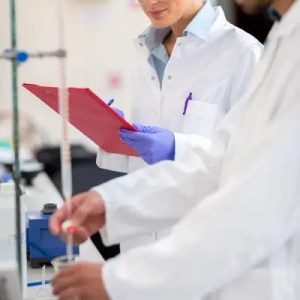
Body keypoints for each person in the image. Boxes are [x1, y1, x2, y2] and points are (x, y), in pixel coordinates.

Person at [51, 0, 300, 297]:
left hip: (222, 269)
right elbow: (223, 160)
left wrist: (124, 279)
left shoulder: (251, 51)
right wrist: (112, 203)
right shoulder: (284, 40)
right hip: (165, 253)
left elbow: (252, 202)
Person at [97, 0, 262, 252]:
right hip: (141, 243)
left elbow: (254, 165)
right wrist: (116, 136)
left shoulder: (244, 54)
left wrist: (178, 147)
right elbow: (146, 162)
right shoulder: (148, 50)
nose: (149, 3)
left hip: (203, 247)